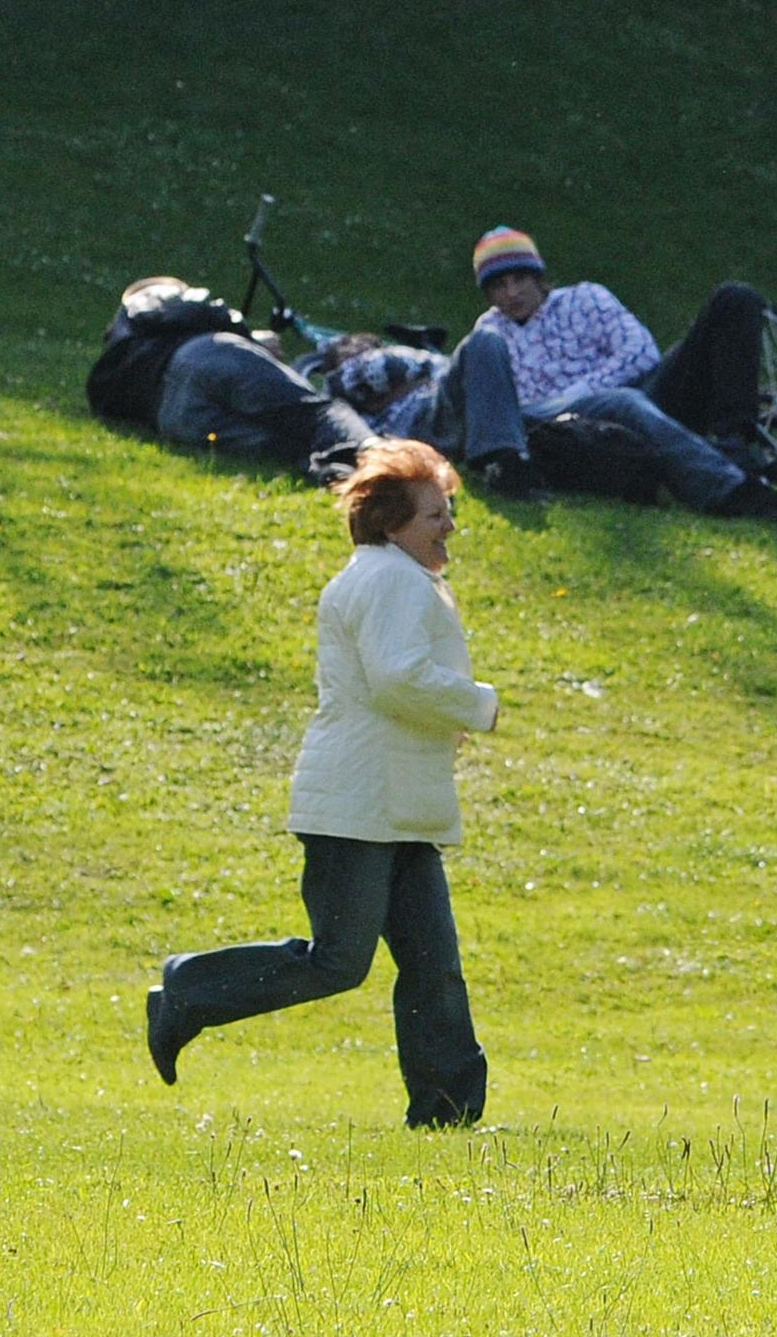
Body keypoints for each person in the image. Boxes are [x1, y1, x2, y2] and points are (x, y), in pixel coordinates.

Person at [145, 440, 498, 1127]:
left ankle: (447, 1110)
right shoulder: (389, 580)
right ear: (392, 524)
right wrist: (476, 704)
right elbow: (396, 679)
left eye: (447, 511)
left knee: (434, 965)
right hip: (359, 806)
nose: (449, 526)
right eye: (435, 514)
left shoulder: (392, 576)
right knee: (339, 961)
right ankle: (187, 988)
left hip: (394, 805)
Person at [465, 227, 777, 521]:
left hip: (645, 392)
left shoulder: (586, 297)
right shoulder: (491, 333)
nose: (511, 293)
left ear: (537, 277)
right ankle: (728, 492)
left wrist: (587, 389)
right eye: (498, 286)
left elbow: (640, 351)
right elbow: (513, 409)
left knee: (734, 298)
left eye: (519, 280)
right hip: (580, 427)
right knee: (624, 402)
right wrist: (587, 401)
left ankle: (736, 443)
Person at [86, 276, 374, 482]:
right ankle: (386, 458)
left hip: (173, 416)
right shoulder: (157, 298)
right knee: (316, 414)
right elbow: (209, 309)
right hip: (205, 355)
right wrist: (250, 339)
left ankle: (349, 476)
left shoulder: (122, 355)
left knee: (289, 447)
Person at [322, 331, 548, 499]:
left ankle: (508, 460)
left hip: (455, 420)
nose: (352, 357)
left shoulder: (383, 360)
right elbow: (353, 380)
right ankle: (504, 462)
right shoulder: (352, 374)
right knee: (485, 340)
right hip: (431, 422)